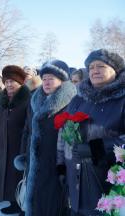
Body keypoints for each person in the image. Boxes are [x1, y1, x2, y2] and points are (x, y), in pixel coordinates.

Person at [57, 49, 125, 216]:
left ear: (115, 70)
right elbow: (63, 134)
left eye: (101, 66)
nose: (94, 70)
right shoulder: (78, 99)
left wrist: (97, 148)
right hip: (75, 179)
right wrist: (61, 166)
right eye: (91, 67)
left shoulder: (122, 100)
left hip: (108, 183)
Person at [16, 60, 77, 216]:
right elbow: (27, 130)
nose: (47, 82)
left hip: (56, 166)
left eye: (51, 78)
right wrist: (24, 154)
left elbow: (74, 138)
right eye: (44, 78)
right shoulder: (35, 100)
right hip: (33, 163)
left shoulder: (72, 103)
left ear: (62, 80)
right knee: (34, 202)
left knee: (52, 205)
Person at [0, 65, 31, 215]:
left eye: (12, 81)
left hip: (18, 147)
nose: (9, 84)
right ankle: (9, 199)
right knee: (4, 174)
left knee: (16, 177)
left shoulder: (28, 100)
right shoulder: (1, 101)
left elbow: (30, 127)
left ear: (20, 82)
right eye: (6, 82)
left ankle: (18, 203)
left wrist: (25, 152)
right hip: (2, 146)